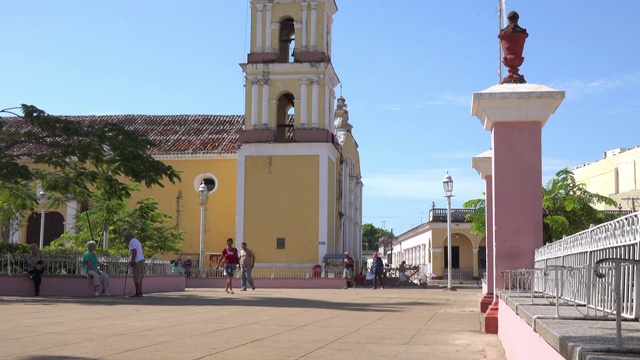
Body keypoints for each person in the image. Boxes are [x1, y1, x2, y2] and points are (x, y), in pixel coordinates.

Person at [124, 230, 145, 297]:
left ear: (129, 236)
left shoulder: (132, 242)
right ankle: (140, 292)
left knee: (136, 277)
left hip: (137, 261)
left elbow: (134, 251)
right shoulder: (136, 241)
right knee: (140, 277)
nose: (125, 239)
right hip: (141, 260)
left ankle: (137, 293)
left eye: (125, 237)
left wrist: (132, 260)